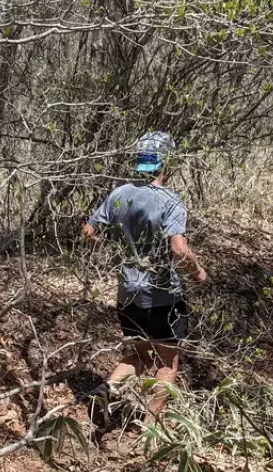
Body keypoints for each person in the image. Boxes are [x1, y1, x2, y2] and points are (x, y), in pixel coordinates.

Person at [82, 130, 207, 424]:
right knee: (167, 362)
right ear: (168, 162)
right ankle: (150, 428)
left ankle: (107, 389)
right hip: (162, 296)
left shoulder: (120, 194)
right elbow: (179, 249)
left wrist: (115, 252)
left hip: (127, 293)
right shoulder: (171, 201)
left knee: (141, 355)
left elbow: (87, 232)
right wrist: (197, 270)